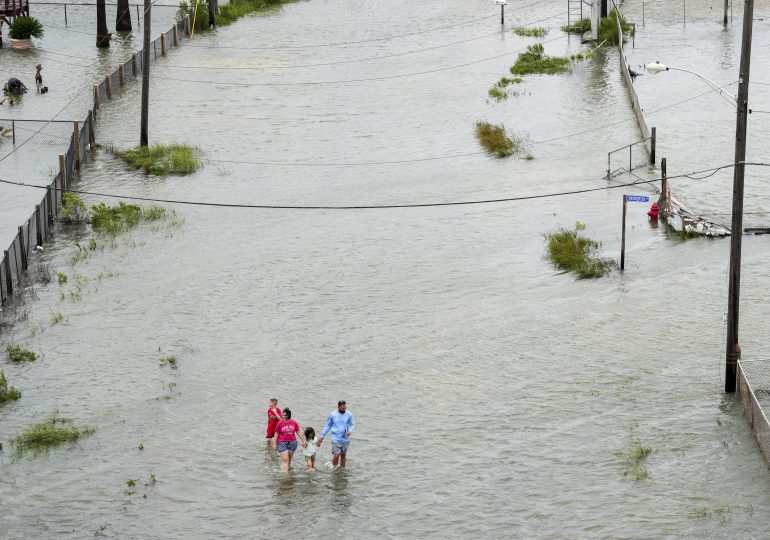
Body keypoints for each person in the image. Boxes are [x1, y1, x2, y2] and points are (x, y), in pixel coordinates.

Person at [318, 400, 355, 469]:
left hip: (345, 438)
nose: (344, 409)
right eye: (342, 408)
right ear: (338, 407)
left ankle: (342, 469)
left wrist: (350, 431)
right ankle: (334, 468)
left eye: (345, 408)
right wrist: (322, 435)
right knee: (336, 455)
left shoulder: (349, 414)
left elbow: (352, 424)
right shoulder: (333, 414)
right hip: (335, 437)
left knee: (343, 455)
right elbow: (328, 425)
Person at [273, 408, 305, 472]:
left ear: (288, 415)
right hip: (282, 443)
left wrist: (303, 441)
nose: (282, 416)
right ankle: (285, 476)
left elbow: (298, 432)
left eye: (284, 415)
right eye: (282, 415)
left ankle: (288, 472)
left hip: (292, 443)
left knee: (289, 460)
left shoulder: (294, 422)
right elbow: (276, 434)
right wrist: (275, 444)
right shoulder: (280, 423)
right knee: (285, 460)